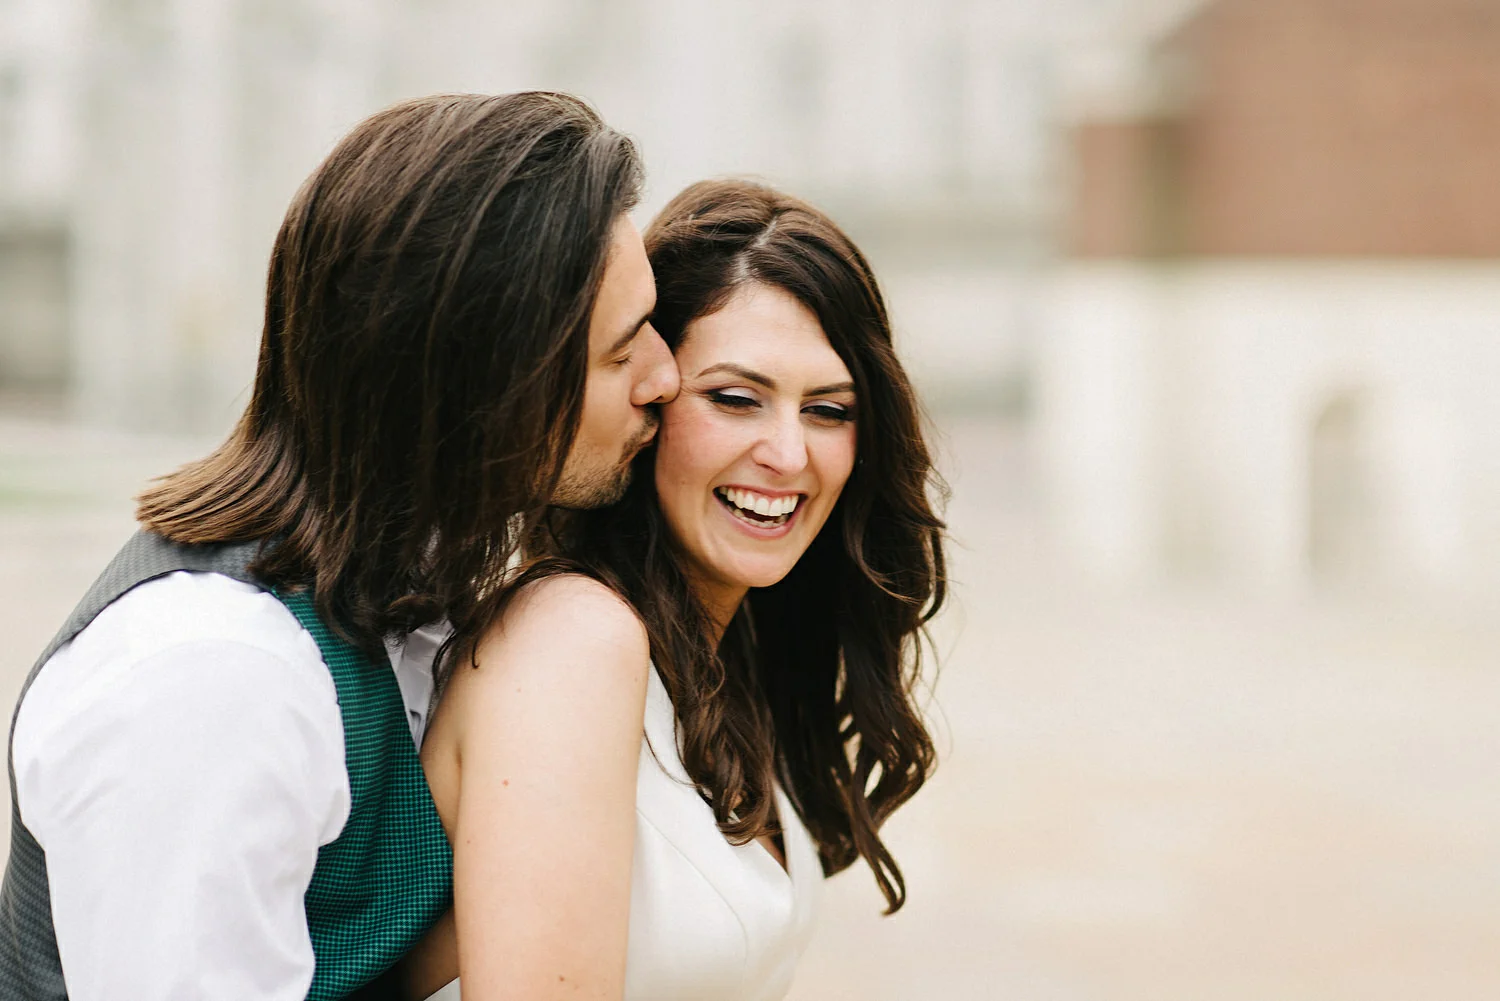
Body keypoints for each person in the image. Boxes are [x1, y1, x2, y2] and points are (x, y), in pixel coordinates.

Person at [0, 92, 678, 1000]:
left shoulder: (410, 600)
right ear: (486, 382)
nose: (666, 377)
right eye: (622, 351)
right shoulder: (211, 677)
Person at [404, 179, 948, 1001]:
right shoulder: (571, 637)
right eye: (736, 398)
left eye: (828, 410)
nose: (788, 453)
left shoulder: (732, 658)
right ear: (648, 394)